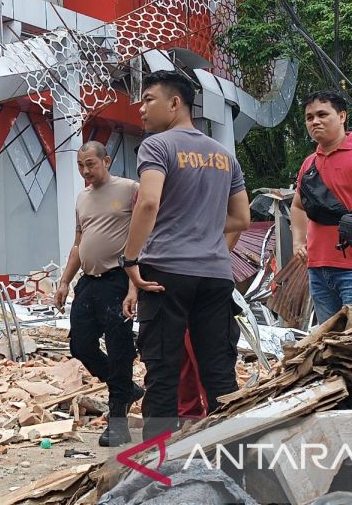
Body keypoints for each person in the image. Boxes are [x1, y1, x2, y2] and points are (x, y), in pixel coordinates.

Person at [120, 71, 250, 441]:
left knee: (163, 371)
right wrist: (204, 229)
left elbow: (147, 202)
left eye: (148, 99)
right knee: (219, 372)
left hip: (165, 272)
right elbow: (241, 218)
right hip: (215, 275)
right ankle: (234, 459)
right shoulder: (224, 156)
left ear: (175, 103)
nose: (141, 109)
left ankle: (156, 470)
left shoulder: (157, 146)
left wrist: (130, 261)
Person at [53, 141, 143, 446]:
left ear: (106, 160)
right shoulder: (82, 198)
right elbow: (79, 243)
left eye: (91, 164)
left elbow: (145, 236)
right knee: (80, 345)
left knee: (119, 351)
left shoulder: (130, 189)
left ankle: (118, 421)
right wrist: (65, 281)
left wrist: (135, 284)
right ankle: (127, 388)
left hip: (118, 278)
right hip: (88, 282)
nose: (85, 171)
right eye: (80, 165)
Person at [289, 91, 352, 323]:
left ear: (342, 116)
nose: (315, 121)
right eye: (309, 117)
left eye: (323, 114)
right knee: (328, 343)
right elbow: (298, 206)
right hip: (318, 268)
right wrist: (298, 242)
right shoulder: (309, 163)